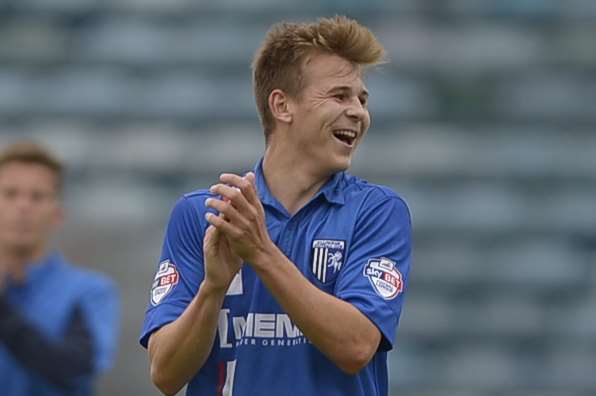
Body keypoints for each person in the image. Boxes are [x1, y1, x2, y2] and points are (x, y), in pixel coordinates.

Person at [141, 16, 412, 396]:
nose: (358, 112)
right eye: (339, 96)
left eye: (362, 99)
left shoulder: (377, 212)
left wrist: (261, 252)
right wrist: (213, 287)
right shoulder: (205, 214)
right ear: (282, 106)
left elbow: (355, 347)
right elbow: (165, 375)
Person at [0, 141, 120, 396]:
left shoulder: (89, 292)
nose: (23, 206)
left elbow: (73, 369)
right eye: (10, 194)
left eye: (37, 196)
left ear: (57, 213)